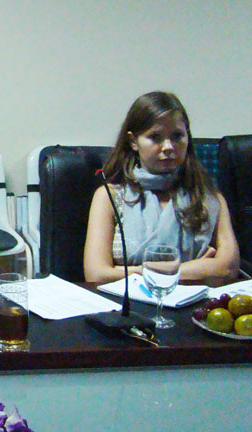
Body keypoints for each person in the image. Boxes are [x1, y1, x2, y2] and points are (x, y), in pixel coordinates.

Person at [83, 91, 239, 287]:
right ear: (133, 141)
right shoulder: (110, 196)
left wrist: (128, 271)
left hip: (193, 303)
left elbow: (227, 269)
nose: (168, 147)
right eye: (155, 137)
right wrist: (197, 268)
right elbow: (96, 275)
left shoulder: (209, 198)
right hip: (126, 304)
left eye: (177, 136)